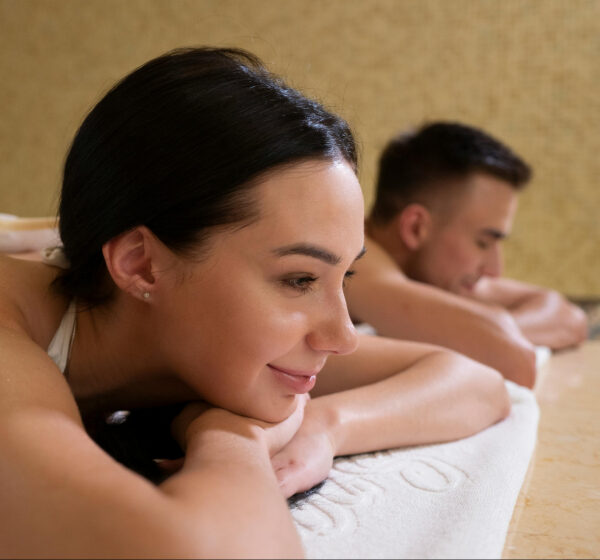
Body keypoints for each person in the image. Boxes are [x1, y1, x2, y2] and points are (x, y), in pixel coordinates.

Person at [0, 49, 510, 558]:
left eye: (344, 276)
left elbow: (475, 384)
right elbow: (189, 550)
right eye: (298, 279)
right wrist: (232, 436)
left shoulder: (196, 342)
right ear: (141, 266)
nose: (343, 337)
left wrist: (324, 428)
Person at [346, 122, 588, 388]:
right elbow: (507, 354)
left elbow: (568, 317)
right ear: (415, 227)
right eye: (483, 243)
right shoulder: (350, 255)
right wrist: (481, 330)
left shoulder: (433, 276)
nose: (494, 269)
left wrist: (483, 328)